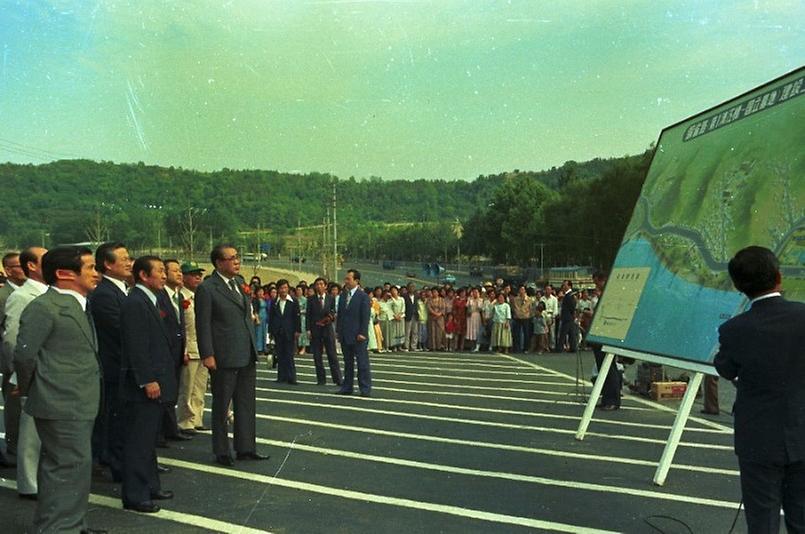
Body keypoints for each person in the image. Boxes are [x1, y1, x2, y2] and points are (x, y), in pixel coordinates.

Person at [714, 246, 805, 533]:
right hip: (802, 432)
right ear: (779, 276)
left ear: (739, 286)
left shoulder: (734, 329)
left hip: (758, 438)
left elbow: (725, 368)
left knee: (762, 521)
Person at [13, 246, 104, 532]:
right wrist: (33, 388)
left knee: (73, 468)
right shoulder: (45, 306)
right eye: (90, 267)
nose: (96, 273)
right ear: (65, 273)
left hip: (77, 401)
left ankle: (69, 524)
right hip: (60, 400)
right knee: (67, 468)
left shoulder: (78, 304)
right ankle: (59, 528)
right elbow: (24, 355)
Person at [195, 245, 267, 466]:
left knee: (246, 403)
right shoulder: (208, 288)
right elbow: (203, 324)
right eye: (232, 258)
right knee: (222, 405)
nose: (237, 262)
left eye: (238, 258)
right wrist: (207, 354)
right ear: (219, 263)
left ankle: (246, 447)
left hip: (246, 353)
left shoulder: (239, 284)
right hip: (224, 355)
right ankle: (222, 450)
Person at [3, 246, 48, 499]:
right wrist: (19, 373)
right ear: (31, 265)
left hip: (47, 372)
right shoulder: (23, 295)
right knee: (30, 435)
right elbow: (12, 340)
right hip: (28, 372)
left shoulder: (48, 292)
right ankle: (29, 484)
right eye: (45, 259)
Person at [88, 242, 132, 482]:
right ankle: (115, 465)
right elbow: (120, 331)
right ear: (107, 263)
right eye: (123, 258)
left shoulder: (122, 289)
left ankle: (114, 460)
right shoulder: (104, 294)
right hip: (114, 367)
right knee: (113, 420)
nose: (128, 262)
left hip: (121, 367)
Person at [157, 259, 190, 446]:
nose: (179, 274)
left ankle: (171, 429)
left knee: (173, 391)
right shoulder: (160, 296)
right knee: (164, 393)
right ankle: (161, 433)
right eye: (174, 271)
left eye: (180, 271)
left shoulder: (177, 296)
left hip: (177, 351)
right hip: (165, 352)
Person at [177, 261, 210, 435]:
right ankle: (185, 421)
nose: (198, 277)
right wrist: (182, 350)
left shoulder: (201, 297)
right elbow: (181, 328)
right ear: (184, 276)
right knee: (187, 388)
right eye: (193, 274)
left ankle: (197, 418)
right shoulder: (181, 297)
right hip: (189, 349)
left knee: (200, 388)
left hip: (202, 349)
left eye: (200, 274)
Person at [0, 251, 25, 462]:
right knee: (14, 407)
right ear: (8, 270)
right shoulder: (4, 295)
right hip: (11, 362)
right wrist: (11, 367)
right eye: (18, 266)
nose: (23, 268)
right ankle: (13, 449)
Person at [336, 269, 371, 397]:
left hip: (358, 335)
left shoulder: (363, 297)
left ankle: (365, 388)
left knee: (362, 363)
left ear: (356, 281)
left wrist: (362, 332)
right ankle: (347, 387)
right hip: (345, 334)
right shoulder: (343, 296)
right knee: (347, 363)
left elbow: (365, 316)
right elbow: (340, 315)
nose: (346, 281)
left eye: (348, 279)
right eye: (345, 279)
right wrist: (338, 331)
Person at [590, 271, 621, 411]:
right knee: (602, 368)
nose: (596, 286)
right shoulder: (602, 295)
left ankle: (613, 400)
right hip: (598, 335)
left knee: (610, 368)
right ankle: (606, 398)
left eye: (597, 282)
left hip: (607, 335)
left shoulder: (610, 295)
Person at [306, 277, 342, 386]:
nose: (319, 286)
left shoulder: (331, 298)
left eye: (321, 284)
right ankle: (321, 380)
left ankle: (338, 379)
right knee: (317, 356)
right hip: (315, 329)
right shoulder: (311, 299)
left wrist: (330, 317)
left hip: (327, 329)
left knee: (332, 355)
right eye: (317, 284)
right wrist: (308, 330)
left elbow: (333, 311)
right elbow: (308, 315)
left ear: (326, 286)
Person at [269, 279, 301, 384]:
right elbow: (271, 317)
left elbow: (297, 317)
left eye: (285, 288)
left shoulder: (293, 301)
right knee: (280, 354)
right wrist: (271, 331)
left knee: (289, 354)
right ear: (278, 289)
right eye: (281, 288)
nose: (283, 290)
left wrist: (297, 330)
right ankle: (281, 377)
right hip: (278, 331)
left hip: (289, 331)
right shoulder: (274, 302)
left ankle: (292, 377)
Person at [427, 286, 446, 351]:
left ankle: (440, 346)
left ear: (438, 293)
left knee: (439, 332)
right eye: (433, 292)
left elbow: (443, 308)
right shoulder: (429, 300)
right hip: (432, 318)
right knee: (432, 332)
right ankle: (432, 347)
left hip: (440, 318)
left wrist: (438, 314)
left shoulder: (442, 300)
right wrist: (435, 314)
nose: (434, 293)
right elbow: (429, 308)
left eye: (435, 292)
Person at [466, 287, 484, 352]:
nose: (475, 293)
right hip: (470, 316)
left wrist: (478, 300)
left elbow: (480, 308)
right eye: (474, 292)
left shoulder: (481, 300)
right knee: (470, 330)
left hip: (477, 316)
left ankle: (477, 346)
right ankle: (471, 346)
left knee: (477, 330)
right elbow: (467, 308)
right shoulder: (469, 299)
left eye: (476, 292)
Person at [252, 287, 269, 355]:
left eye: (262, 291)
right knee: (258, 333)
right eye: (259, 291)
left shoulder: (264, 300)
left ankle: (264, 347)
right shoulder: (255, 300)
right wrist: (257, 319)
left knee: (264, 333)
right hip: (259, 317)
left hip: (264, 318)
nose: (261, 293)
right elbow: (255, 310)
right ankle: (258, 348)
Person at [403, 282, 418, 351]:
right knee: (407, 332)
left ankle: (413, 346)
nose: (412, 288)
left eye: (413, 287)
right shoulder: (404, 296)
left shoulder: (417, 296)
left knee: (415, 332)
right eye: (411, 287)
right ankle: (406, 346)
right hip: (408, 315)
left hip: (415, 315)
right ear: (408, 288)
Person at [295, 285, 309, 355]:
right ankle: (296, 348)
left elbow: (307, 309)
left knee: (303, 333)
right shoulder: (294, 299)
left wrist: (300, 311)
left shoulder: (305, 300)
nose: (298, 291)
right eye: (297, 290)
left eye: (300, 290)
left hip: (303, 317)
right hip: (296, 318)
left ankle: (304, 348)